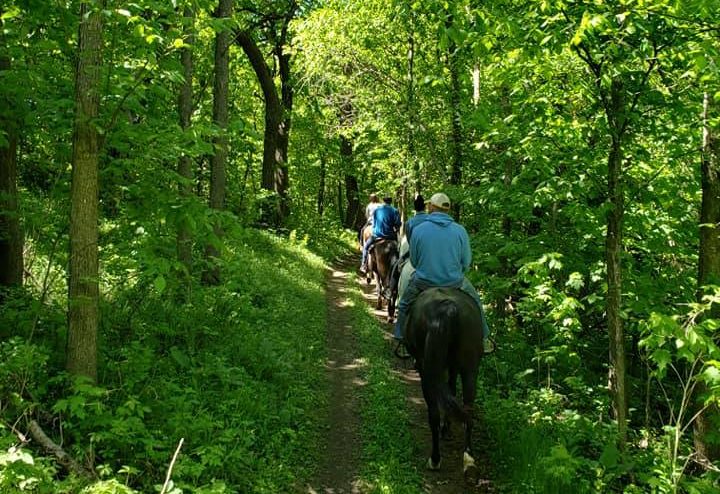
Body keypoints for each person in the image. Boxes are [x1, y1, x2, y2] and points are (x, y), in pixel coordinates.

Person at [393, 192, 494, 354]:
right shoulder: (460, 231)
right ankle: (485, 338)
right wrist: (454, 273)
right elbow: (466, 261)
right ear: (446, 210)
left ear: (432, 207)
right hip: (454, 282)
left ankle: (401, 340)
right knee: (475, 302)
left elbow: (415, 261)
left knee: (404, 304)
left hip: (423, 282)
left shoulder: (418, 230)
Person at [394, 194, 428, 299]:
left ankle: (391, 292)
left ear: (415, 208)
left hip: (415, 251)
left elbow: (410, 242)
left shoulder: (410, 222)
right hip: (430, 252)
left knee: (395, 268)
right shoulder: (431, 219)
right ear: (425, 207)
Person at [360, 195, 401, 273]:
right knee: (398, 247)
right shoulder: (394, 210)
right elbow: (397, 224)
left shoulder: (377, 210)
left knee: (365, 247)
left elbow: (374, 224)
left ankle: (363, 265)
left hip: (376, 236)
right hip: (390, 236)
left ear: (383, 201)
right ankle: (400, 264)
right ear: (391, 202)